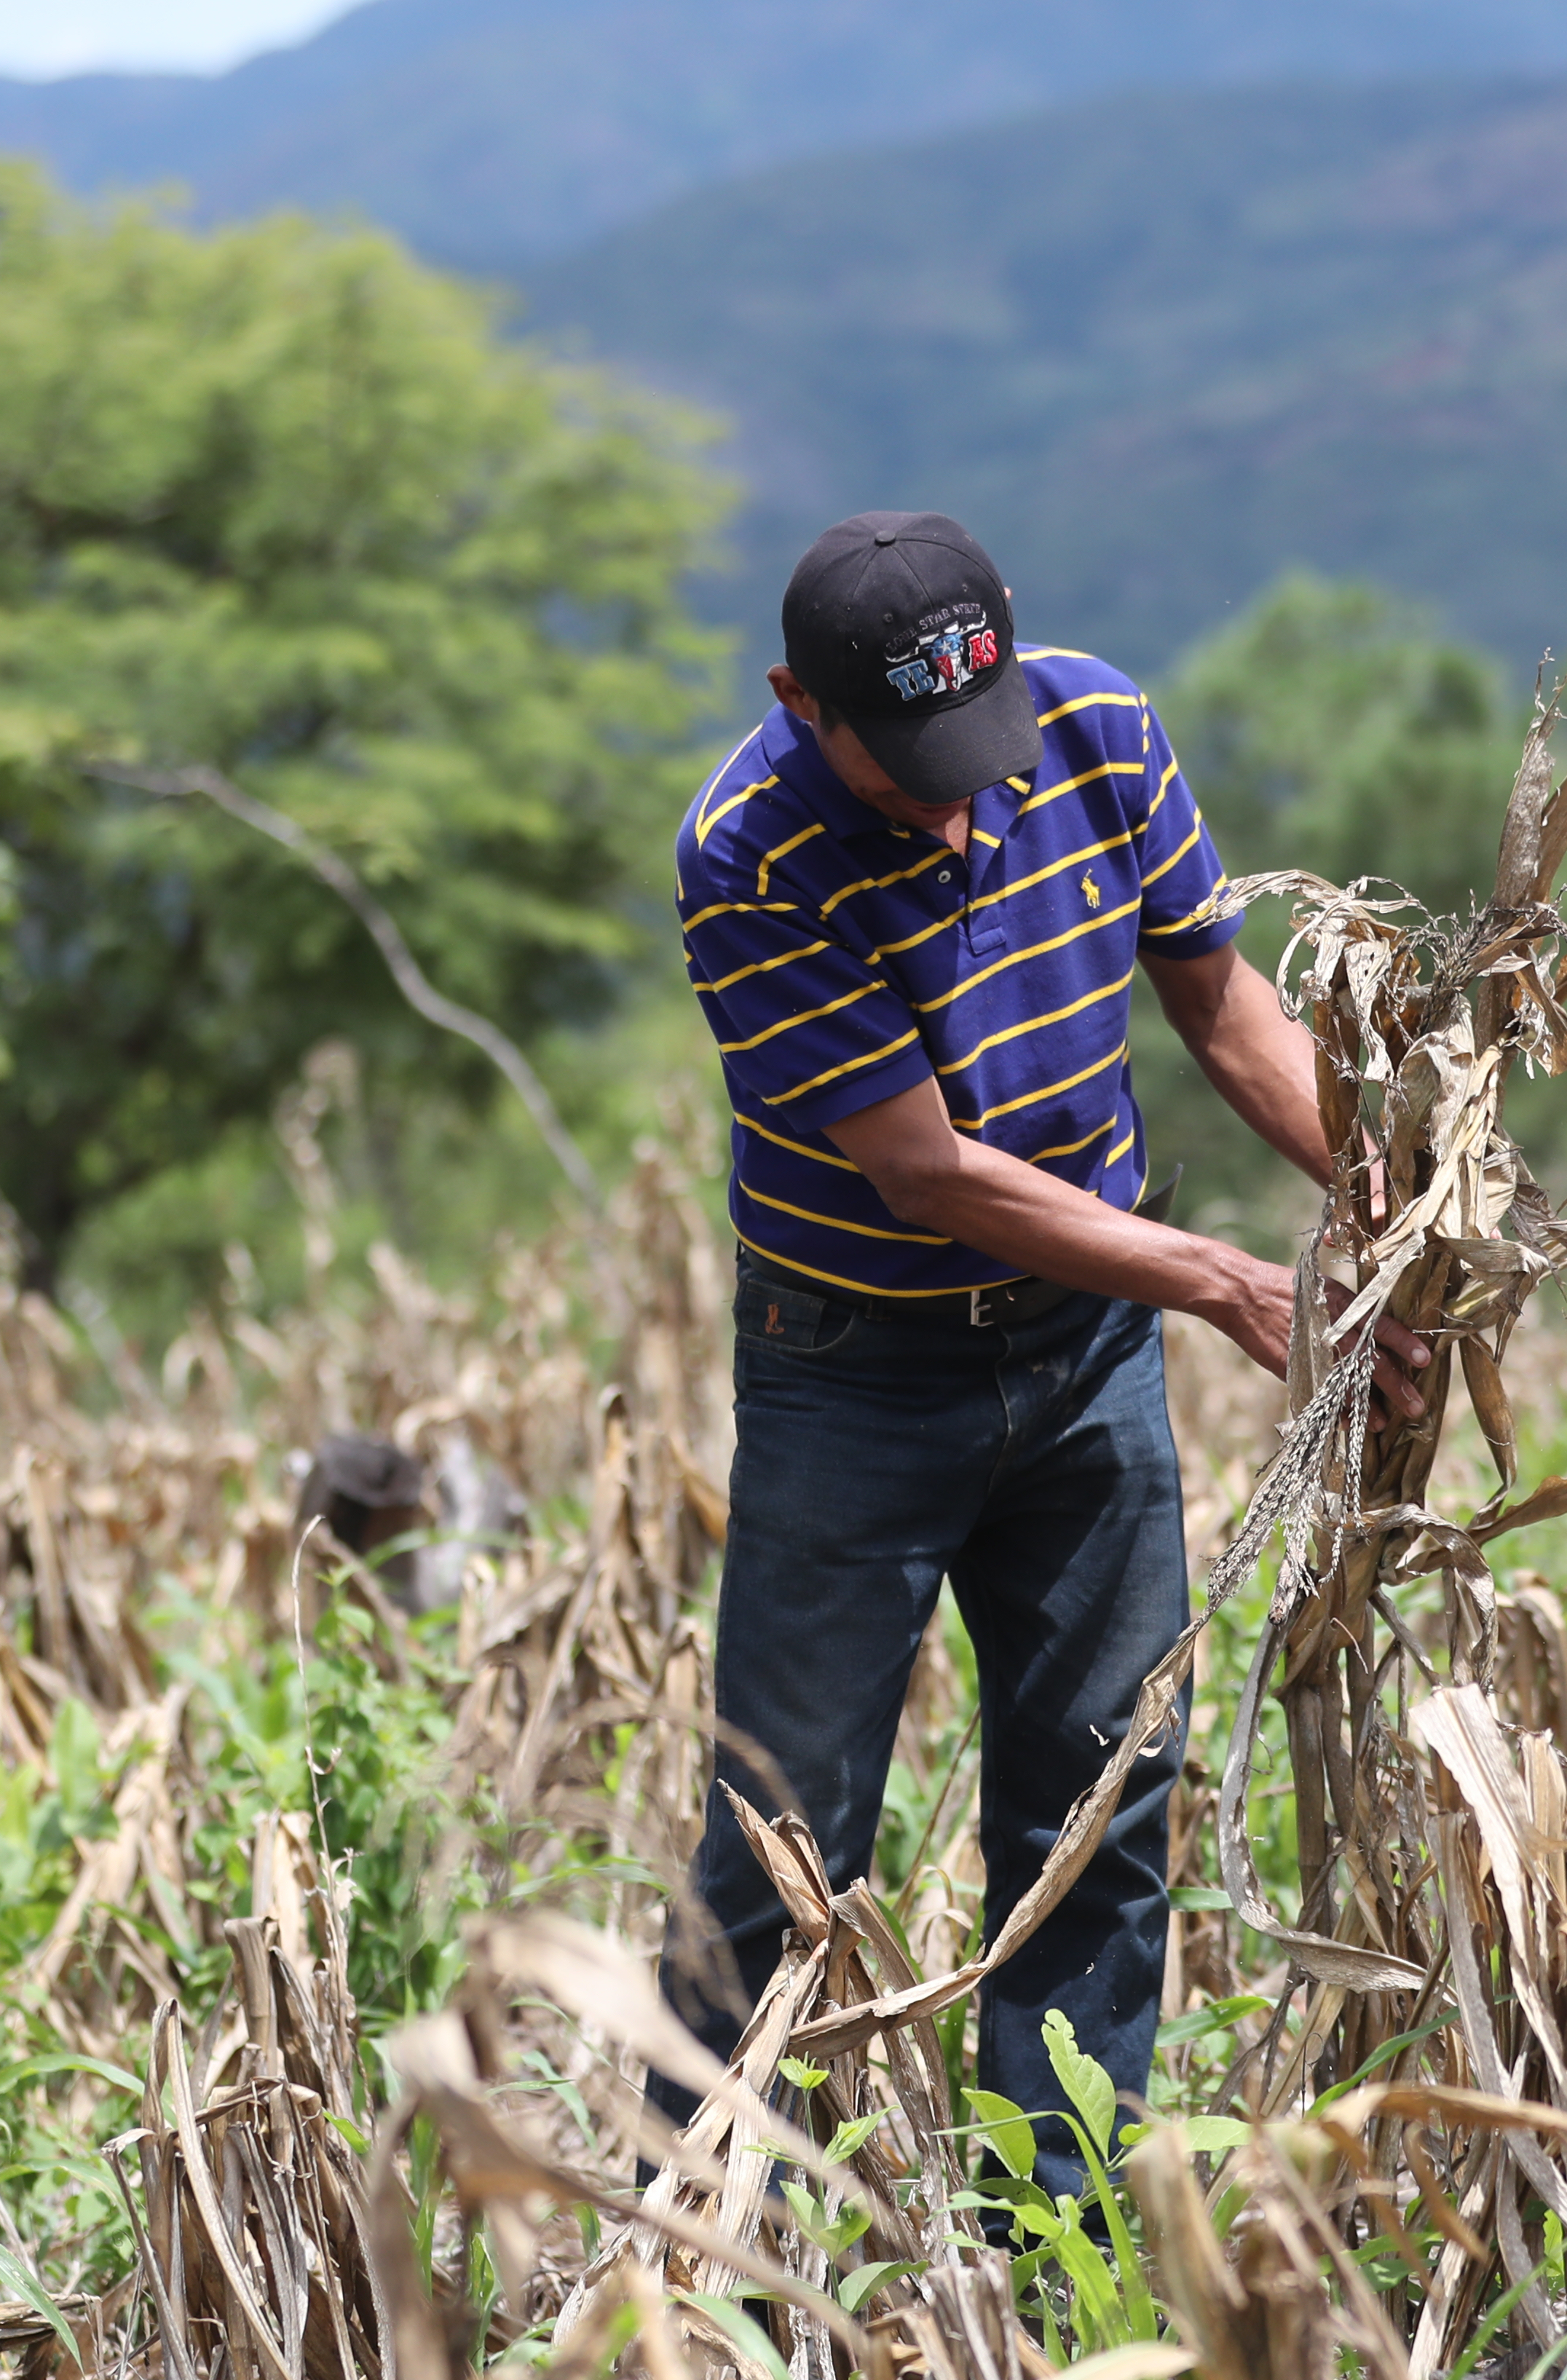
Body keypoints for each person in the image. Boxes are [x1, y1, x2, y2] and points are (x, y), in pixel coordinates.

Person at [649, 511, 1423, 2200]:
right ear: (799, 702)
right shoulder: (752, 855)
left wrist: (1393, 1209)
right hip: (855, 1374)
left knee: (1101, 1807)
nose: (957, 800)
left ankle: (1051, 2258)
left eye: (973, 752)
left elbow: (1225, 1010)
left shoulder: (1094, 730)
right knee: (783, 1850)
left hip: (1082, 1366)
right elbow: (924, 1172)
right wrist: (1222, 1281)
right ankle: (698, 2277)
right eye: (910, 766)